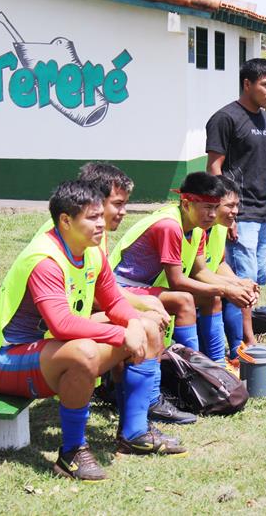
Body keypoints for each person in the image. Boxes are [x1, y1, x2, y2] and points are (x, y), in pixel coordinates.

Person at [0, 181, 186, 483]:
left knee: (148, 327)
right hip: (7, 360)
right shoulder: (44, 259)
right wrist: (122, 335)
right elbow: (62, 325)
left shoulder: (90, 249)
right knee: (83, 352)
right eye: (91, 218)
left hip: (51, 349)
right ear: (65, 221)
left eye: (100, 216)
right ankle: (72, 452)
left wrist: (134, 322)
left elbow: (114, 301)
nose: (100, 224)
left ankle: (135, 432)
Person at [37, 162, 194, 425]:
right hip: (39, 342)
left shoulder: (90, 233)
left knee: (143, 323)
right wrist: (130, 323)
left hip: (68, 325)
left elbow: (105, 290)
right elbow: (77, 311)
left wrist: (139, 308)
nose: (123, 212)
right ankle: (144, 403)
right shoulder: (63, 239)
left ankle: (137, 407)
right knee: (144, 326)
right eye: (118, 204)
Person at [110, 172, 258, 365]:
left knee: (211, 297)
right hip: (122, 287)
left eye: (215, 207)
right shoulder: (169, 226)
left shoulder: (197, 226)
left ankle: (217, 366)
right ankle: (194, 371)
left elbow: (200, 271)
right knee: (184, 300)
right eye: (207, 208)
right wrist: (227, 289)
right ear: (187, 204)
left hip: (150, 288)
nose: (212, 215)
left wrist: (237, 285)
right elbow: (177, 281)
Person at [205, 58, 266, 288]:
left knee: (258, 278)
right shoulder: (225, 118)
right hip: (240, 213)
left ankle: (248, 324)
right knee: (241, 279)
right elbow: (213, 168)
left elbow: (265, 168)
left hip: (262, 212)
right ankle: (241, 326)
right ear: (247, 84)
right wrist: (226, 214)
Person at [206, 176, 259, 365]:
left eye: (237, 205)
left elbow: (219, 264)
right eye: (229, 205)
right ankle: (216, 362)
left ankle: (239, 352)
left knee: (239, 288)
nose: (235, 211)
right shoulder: (197, 227)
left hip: (200, 285)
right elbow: (194, 272)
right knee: (218, 295)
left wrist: (239, 282)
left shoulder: (219, 226)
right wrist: (229, 287)